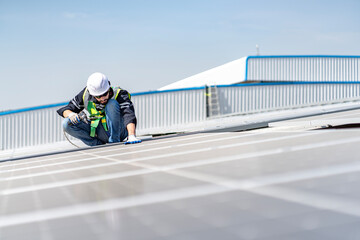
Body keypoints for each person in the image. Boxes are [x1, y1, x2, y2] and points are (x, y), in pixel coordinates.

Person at [57, 72, 141, 146]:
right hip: (100, 132)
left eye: (104, 94)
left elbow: (128, 114)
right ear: (92, 94)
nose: (102, 98)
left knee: (111, 104)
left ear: (108, 88)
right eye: (98, 96)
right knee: (66, 123)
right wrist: (71, 114)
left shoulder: (120, 94)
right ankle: (96, 144)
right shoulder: (85, 95)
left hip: (119, 131)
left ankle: (114, 141)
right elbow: (66, 109)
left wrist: (131, 136)